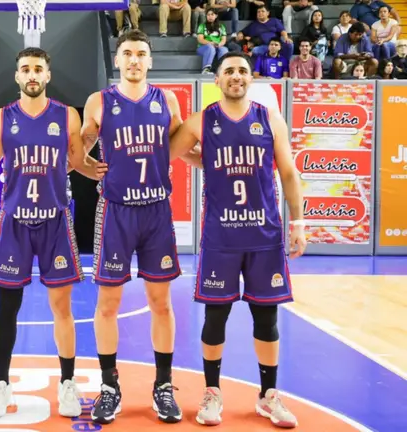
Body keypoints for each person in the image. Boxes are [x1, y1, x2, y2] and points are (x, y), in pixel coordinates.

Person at [0, 47, 107, 419]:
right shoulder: (1, 118)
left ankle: (68, 383)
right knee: (7, 308)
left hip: (54, 221)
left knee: (62, 307)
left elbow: (80, 162)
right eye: (26, 69)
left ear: (48, 75)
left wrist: (115, 170)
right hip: (14, 221)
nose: (32, 75)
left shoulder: (66, 116)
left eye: (38, 69)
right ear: (17, 76)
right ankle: (1, 383)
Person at [169, 51, 307, 428]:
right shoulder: (202, 120)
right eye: (228, 70)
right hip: (221, 237)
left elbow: (289, 173)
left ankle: (268, 395)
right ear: (217, 80)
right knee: (216, 316)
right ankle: (212, 392)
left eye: (242, 71)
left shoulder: (269, 118)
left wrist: (298, 222)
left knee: (267, 317)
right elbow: (170, 153)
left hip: (264, 235)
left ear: (251, 78)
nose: (236, 76)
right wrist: (205, 160)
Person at [80, 29, 200, 425]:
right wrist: (86, 162)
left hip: (155, 211)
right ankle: (109, 386)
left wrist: (216, 164)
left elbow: (183, 147)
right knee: (107, 305)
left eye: (141, 54)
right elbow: (78, 147)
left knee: (161, 303)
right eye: (128, 53)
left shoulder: (167, 100)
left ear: (150, 60)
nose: (134, 60)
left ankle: (163, 385)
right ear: (117, 60)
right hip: (115, 211)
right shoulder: (99, 101)